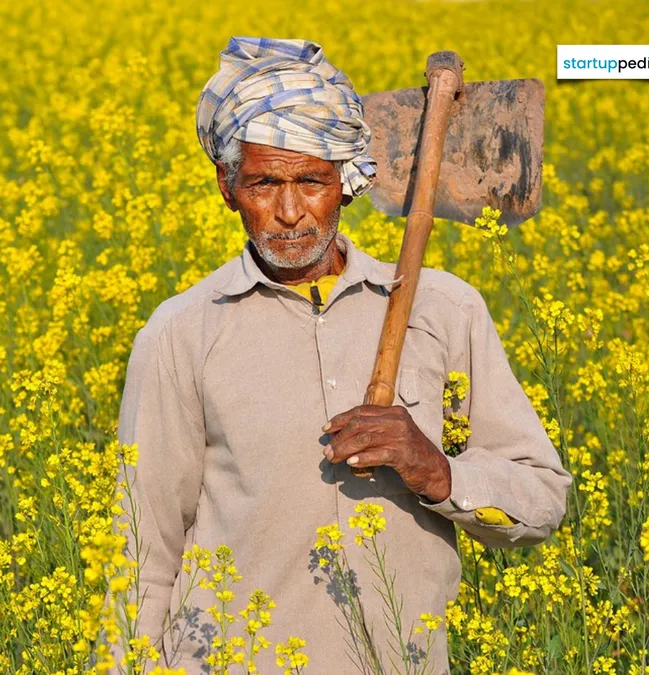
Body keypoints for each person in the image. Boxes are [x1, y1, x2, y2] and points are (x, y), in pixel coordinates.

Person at [101, 36, 572, 674]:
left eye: (311, 182)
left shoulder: (443, 311)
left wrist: (437, 472)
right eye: (264, 183)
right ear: (227, 186)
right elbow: (141, 550)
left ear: (346, 184)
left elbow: (541, 498)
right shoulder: (181, 334)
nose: (289, 212)